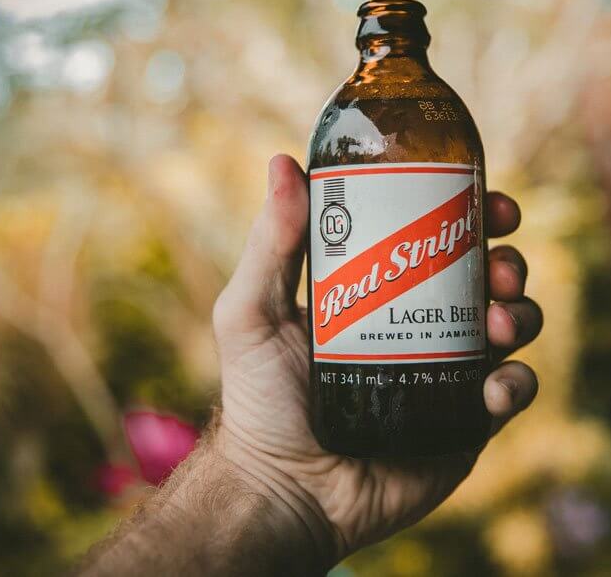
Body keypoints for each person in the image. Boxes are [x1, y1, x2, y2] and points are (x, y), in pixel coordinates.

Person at [80, 155, 543, 576]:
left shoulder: (367, 119)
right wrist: (262, 472)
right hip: (331, 431)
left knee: (496, 310)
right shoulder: (345, 120)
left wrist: (270, 483)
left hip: (427, 419)